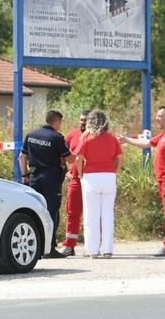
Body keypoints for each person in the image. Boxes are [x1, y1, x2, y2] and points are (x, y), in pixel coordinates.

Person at [119, 105, 165, 257]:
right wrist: (127, 140)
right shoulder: (164, 135)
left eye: (159, 116)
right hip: (164, 180)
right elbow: (146, 143)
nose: (156, 119)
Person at [19, 110, 72, 259]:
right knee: (51, 211)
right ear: (56, 122)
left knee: (35, 210)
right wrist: (80, 157)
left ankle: (36, 246)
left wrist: (24, 176)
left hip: (34, 177)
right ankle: (50, 248)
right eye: (60, 123)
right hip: (51, 179)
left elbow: (22, 157)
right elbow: (69, 159)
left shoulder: (31, 135)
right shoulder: (56, 137)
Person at [75, 109, 123, 259]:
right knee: (108, 214)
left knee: (91, 215)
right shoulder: (112, 138)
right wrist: (113, 171)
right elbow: (120, 158)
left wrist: (80, 174)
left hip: (91, 176)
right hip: (109, 176)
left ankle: (92, 251)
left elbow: (78, 158)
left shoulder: (86, 138)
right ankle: (107, 250)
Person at [59, 109, 90, 257]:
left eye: (86, 120)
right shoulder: (72, 135)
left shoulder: (98, 135)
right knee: (72, 212)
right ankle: (69, 246)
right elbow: (60, 153)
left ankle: (97, 245)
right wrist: (64, 170)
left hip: (92, 179)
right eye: (82, 120)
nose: (83, 122)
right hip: (76, 180)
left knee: (97, 214)